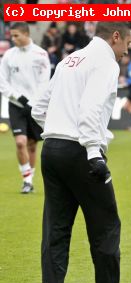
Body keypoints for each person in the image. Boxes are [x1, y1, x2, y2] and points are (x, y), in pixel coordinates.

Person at [31, 22, 131, 283]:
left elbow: (39, 108)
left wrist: (56, 132)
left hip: (52, 148)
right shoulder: (104, 62)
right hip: (82, 151)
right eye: (127, 44)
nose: (126, 51)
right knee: (106, 227)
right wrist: (93, 151)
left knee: (55, 231)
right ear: (115, 37)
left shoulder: (69, 59)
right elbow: (91, 109)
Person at [0, 22, 50, 194]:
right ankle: (26, 180)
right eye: (12, 36)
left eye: (16, 35)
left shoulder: (41, 54)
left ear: (26, 34)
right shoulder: (8, 55)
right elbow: (2, 82)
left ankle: (30, 178)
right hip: (16, 105)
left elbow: (45, 82)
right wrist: (17, 97)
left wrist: (35, 102)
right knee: (20, 143)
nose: (13, 39)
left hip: (35, 106)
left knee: (31, 145)